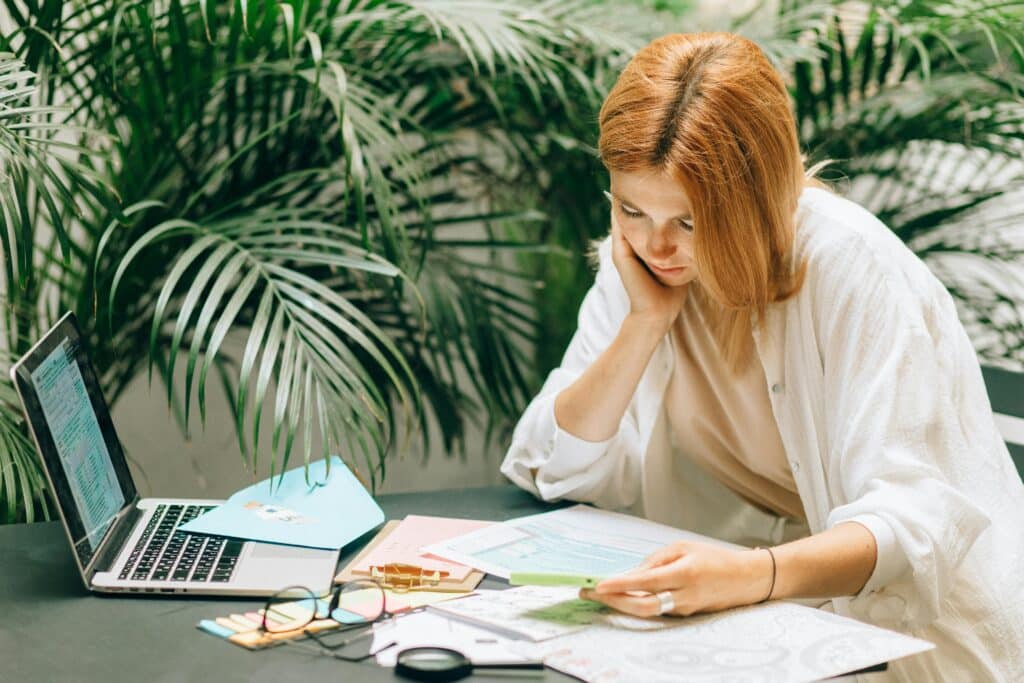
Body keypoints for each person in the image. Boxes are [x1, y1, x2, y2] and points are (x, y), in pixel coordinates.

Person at [500, 32, 1024, 680]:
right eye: (630, 208)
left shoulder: (852, 271)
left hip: (910, 640)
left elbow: (909, 525)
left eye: (689, 221)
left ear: (753, 198)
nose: (657, 243)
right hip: (746, 622)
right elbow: (555, 462)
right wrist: (643, 323)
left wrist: (750, 575)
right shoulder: (645, 266)